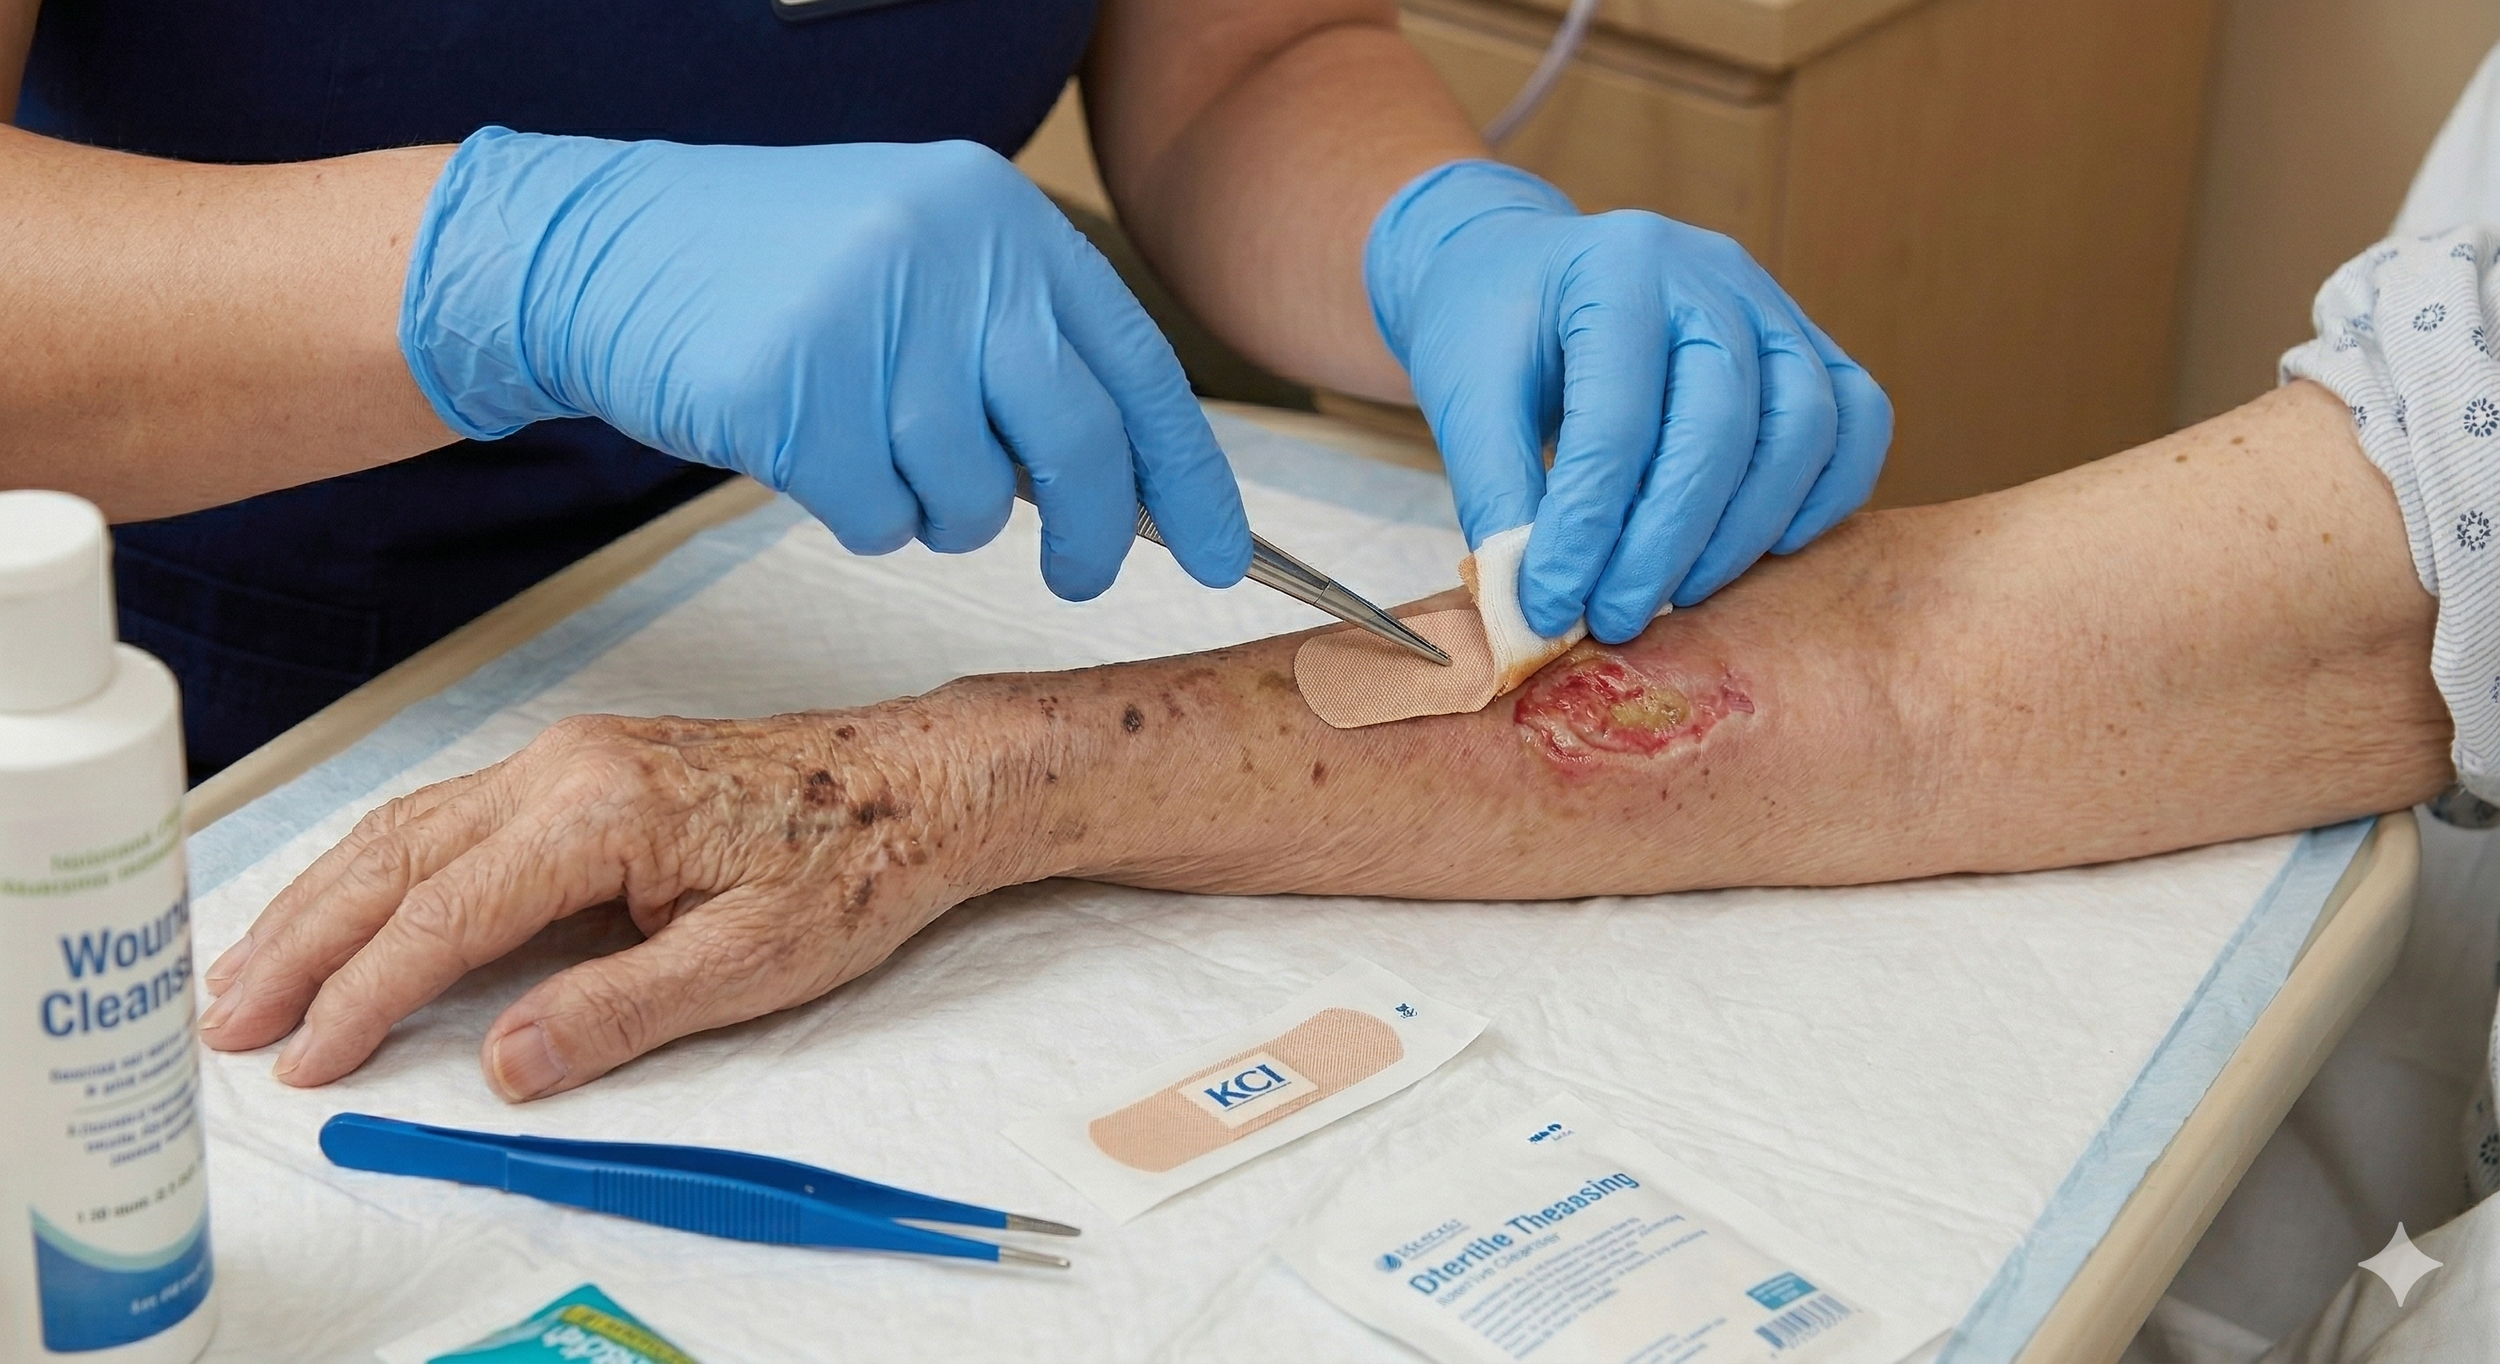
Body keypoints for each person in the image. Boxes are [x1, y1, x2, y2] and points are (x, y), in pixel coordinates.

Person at [0, 0, 1887, 779]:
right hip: (154, 707)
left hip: (807, 617)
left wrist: (1453, 242)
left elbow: (1241, 55)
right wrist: (509, 260)